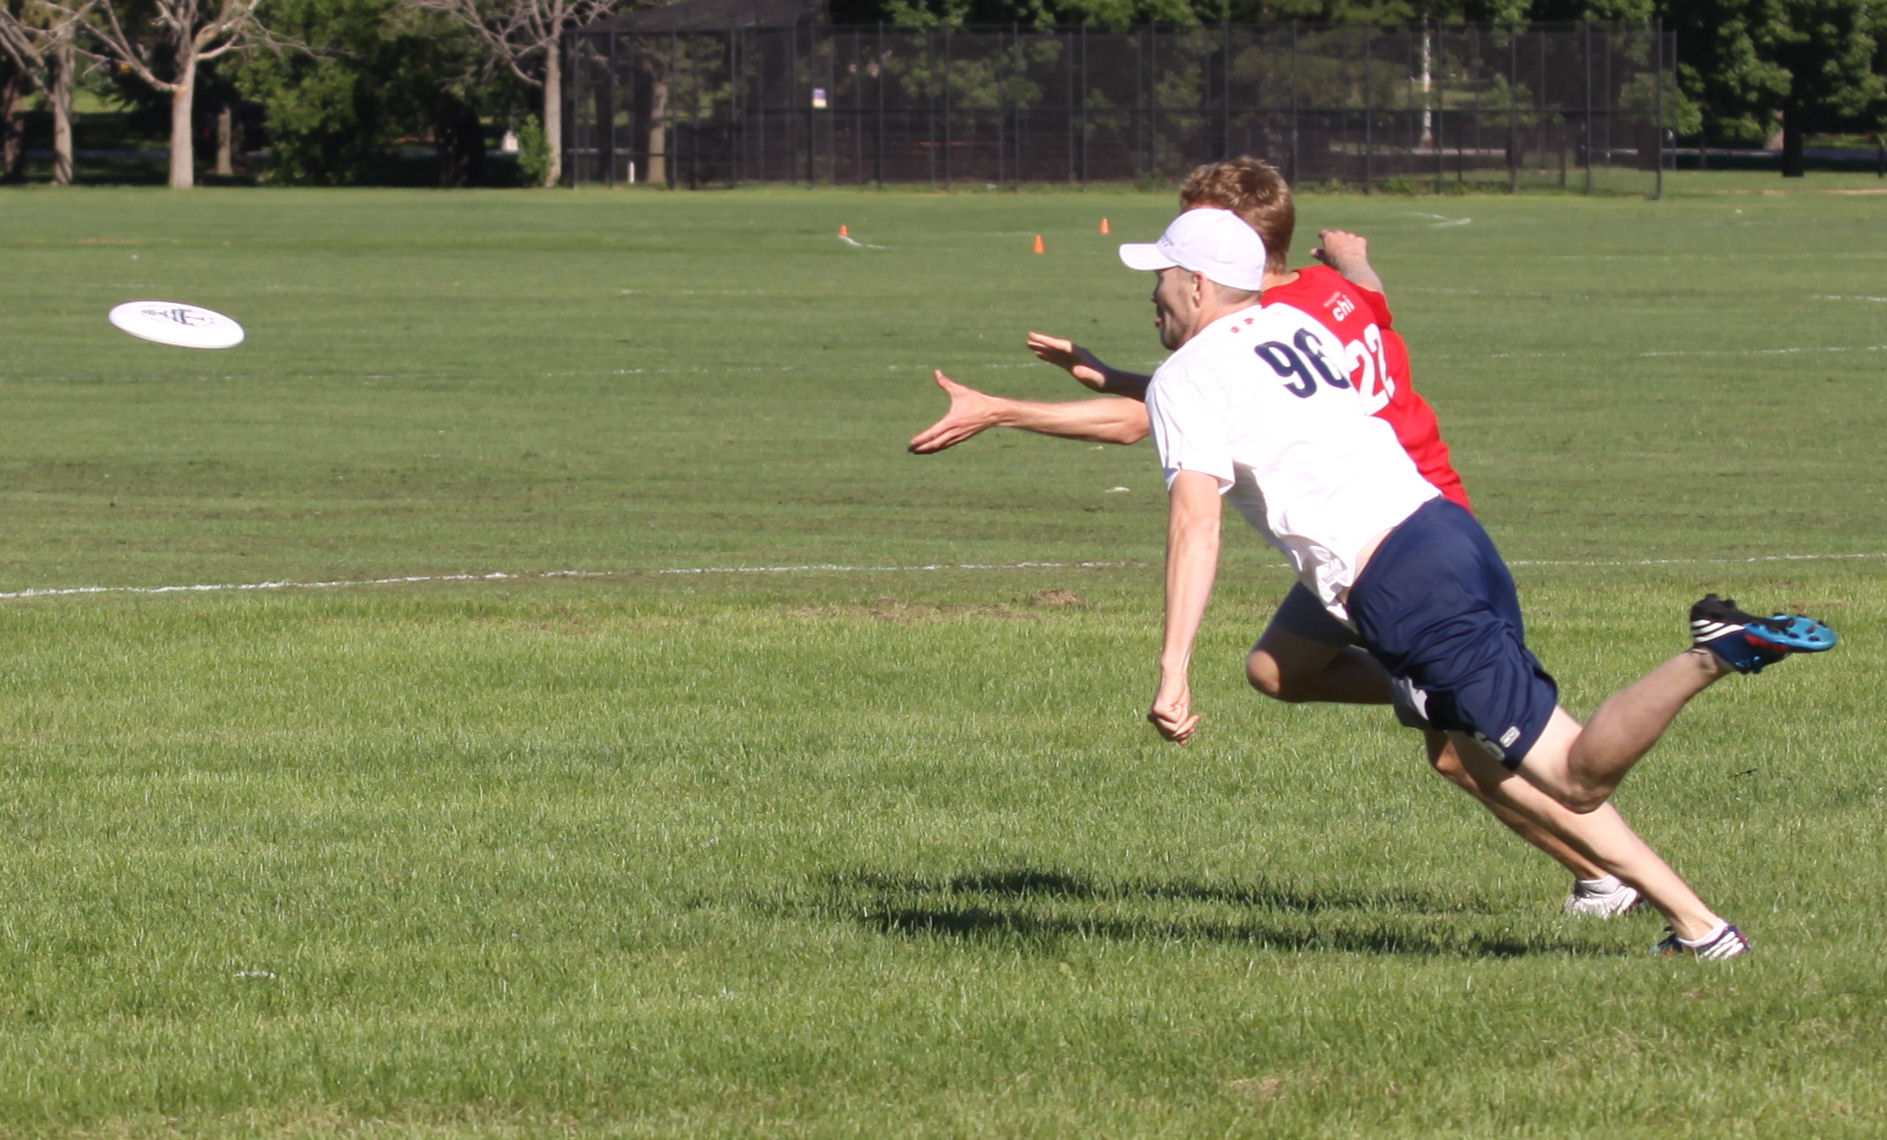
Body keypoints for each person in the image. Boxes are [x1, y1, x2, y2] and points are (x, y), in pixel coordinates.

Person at [913, 157, 1648, 922]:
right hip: (1410, 515)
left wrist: (1004, 410)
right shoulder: (1321, 295)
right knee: (1276, 669)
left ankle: (1608, 876)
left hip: (1378, 537)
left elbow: (1160, 422)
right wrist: (1353, 259)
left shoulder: (1265, 316)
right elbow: (1358, 310)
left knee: (1460, 755)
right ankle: (1434, 691)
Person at [1117, 206, 1835, 958]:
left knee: (1574, 776)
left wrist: (1173, 669)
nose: (1152, 293)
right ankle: (1700, 928)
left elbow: (1195, 525)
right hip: (1446, 532)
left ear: (1197, 284)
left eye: (1161, 277)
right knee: (1473, 757)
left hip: (1401, 584)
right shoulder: (1291, 327)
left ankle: (1713, 651)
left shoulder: (1185, 377)